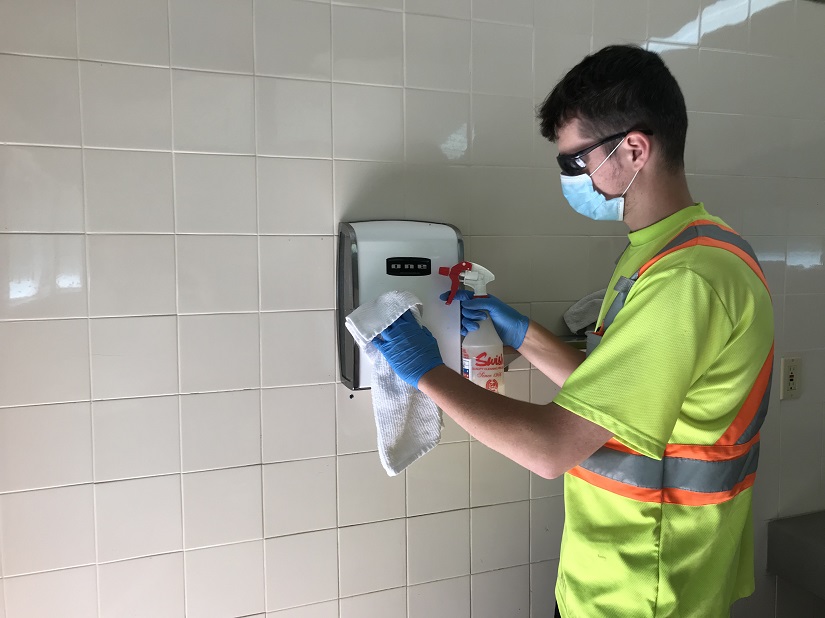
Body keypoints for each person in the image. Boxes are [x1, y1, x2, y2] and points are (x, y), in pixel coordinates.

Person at [374, 45, 774, 617]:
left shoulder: (687, 279)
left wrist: (424, 371)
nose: (571, 178)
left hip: (648, 589)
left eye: (575, 161)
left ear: (634, 148)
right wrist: (521, 333)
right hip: (619, 576)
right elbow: (613, 399)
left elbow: (551, 448)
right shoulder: (673, 250)